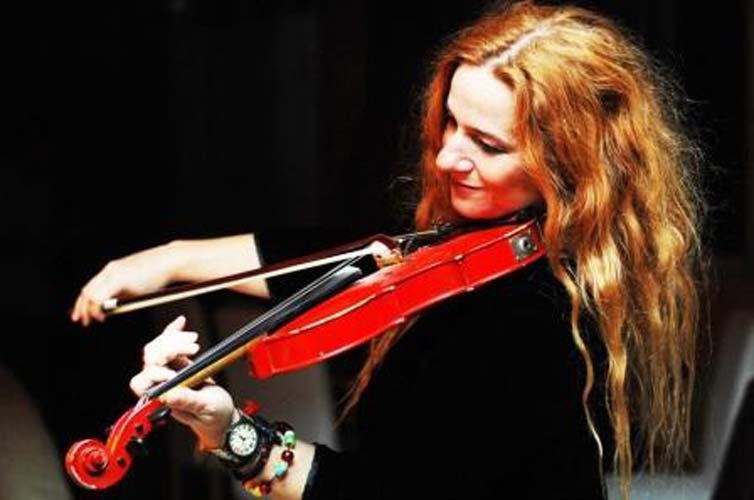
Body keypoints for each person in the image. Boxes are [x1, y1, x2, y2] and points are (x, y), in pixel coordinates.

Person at [71, 1, 705, 498]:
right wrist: (168, 261)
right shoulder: (484, 246)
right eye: (451, 122)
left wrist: (231, 433)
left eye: (488, 145)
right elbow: (328, 264)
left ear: (569, 165)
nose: (449, 156)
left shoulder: (531, 320)